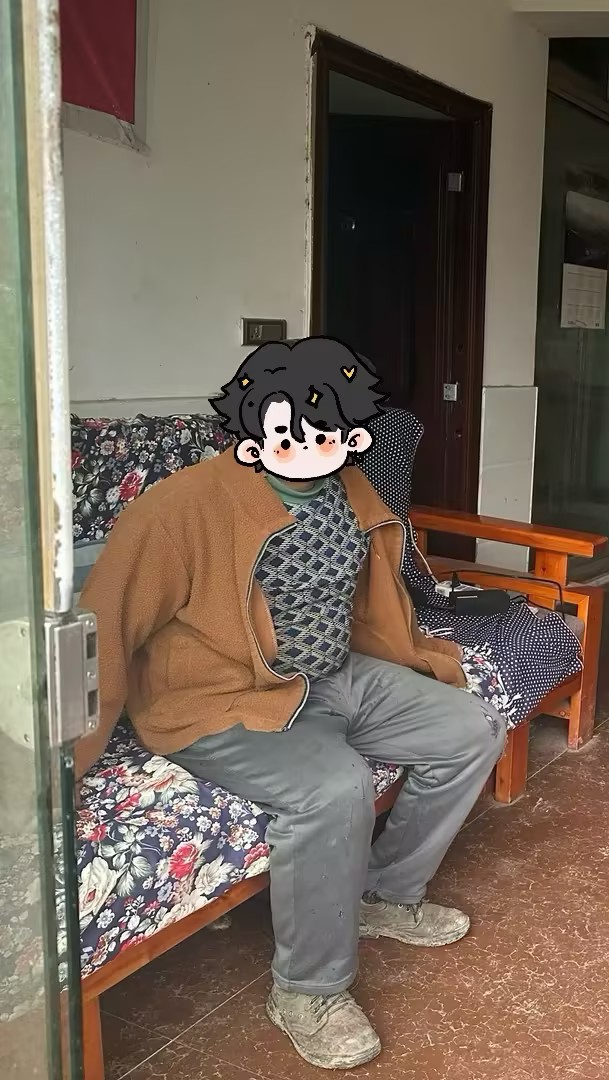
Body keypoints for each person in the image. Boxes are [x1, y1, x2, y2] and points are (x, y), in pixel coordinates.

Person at [79, 336, 506, 1070]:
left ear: (353, 434)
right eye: (287, 431)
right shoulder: (179, 510)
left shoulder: (350, 487)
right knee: (334, 786)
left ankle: (384, 894)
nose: (308, 447)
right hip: (221, 699)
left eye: (328, 431)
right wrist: (64, 759)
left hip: (334, 676)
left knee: (472, 726)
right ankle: (307, 992)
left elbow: (374, 594)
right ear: (250, 429)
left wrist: (413, 654)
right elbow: (104, 631)